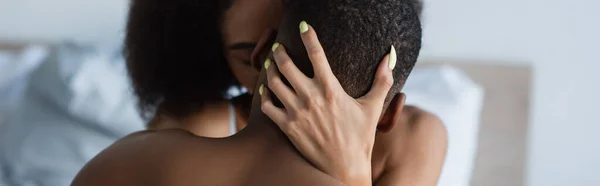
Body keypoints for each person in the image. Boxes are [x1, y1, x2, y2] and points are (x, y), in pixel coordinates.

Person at [73, 0, 446, 185]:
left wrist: (349, 171)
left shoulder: (413, 138)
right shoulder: (200, 124)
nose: (310, 90)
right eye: (271, 58)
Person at [126, 0, 424, 138]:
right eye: (254, 60)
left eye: (306, 56)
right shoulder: (193, 135)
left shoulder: (413, 138)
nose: (278, 80)